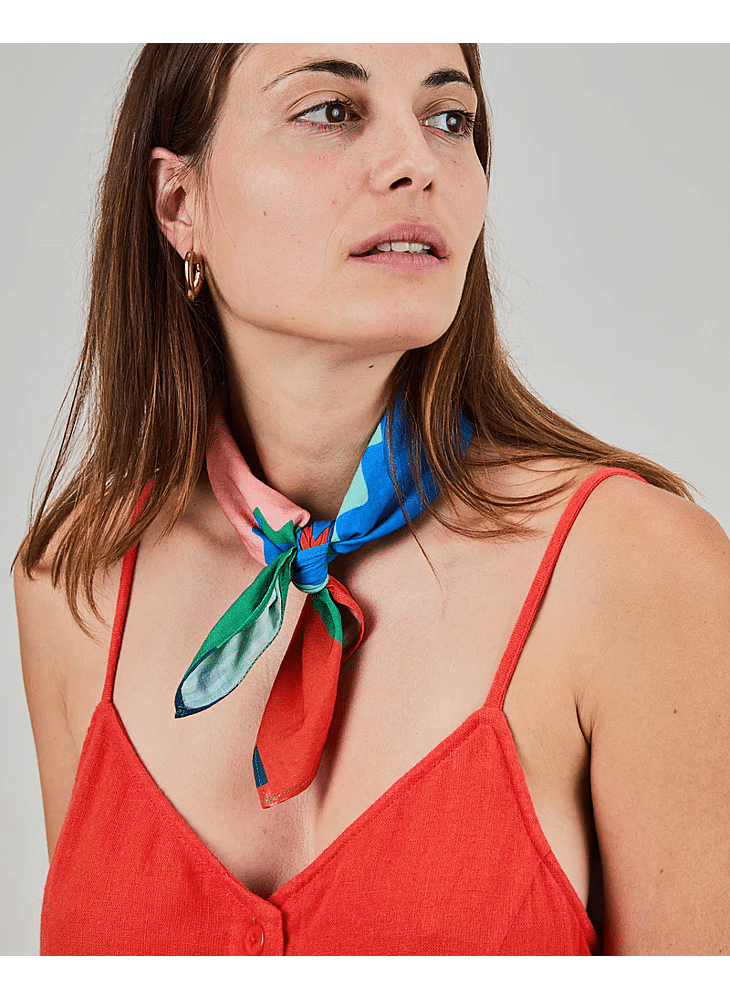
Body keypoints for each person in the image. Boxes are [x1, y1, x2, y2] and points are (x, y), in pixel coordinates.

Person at [12, 43, 730, 957]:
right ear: (180, 205)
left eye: (449, 119)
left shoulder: (640, 573)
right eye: (332, 111)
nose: (416, 162)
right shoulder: (72, 580)